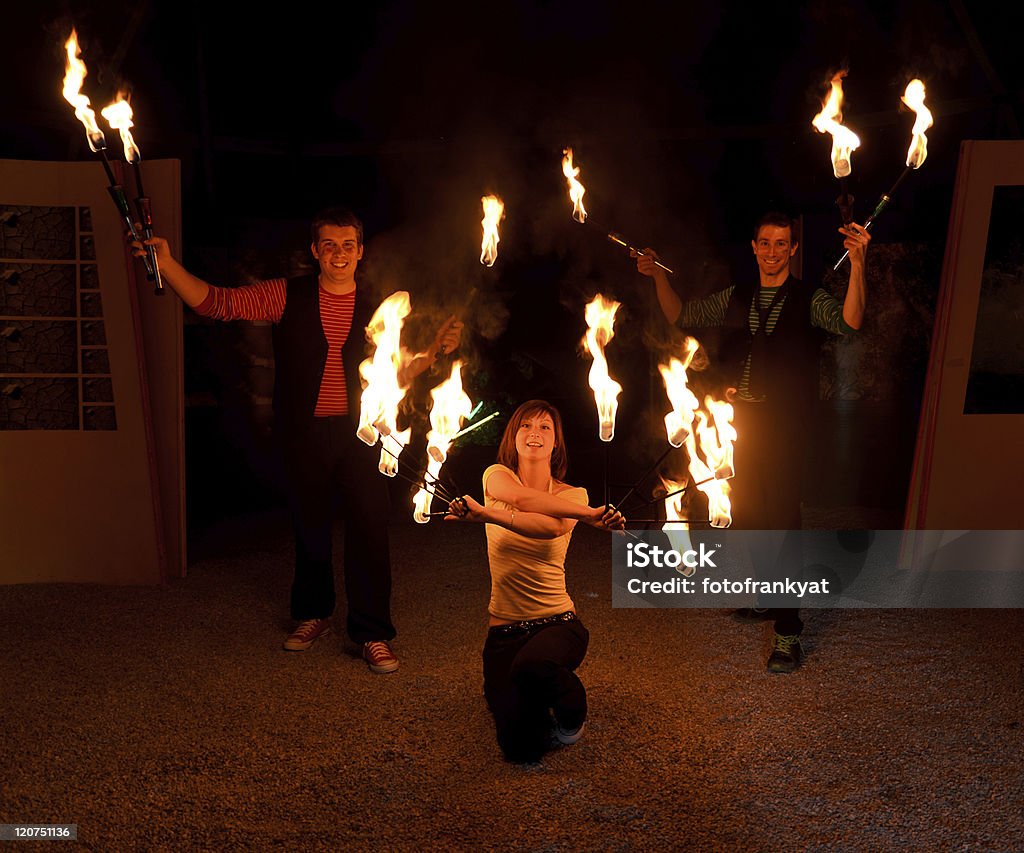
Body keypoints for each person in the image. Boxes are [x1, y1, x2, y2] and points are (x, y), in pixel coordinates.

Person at [133, 207, 462, 673]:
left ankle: (371, 633)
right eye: (329, 244)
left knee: (369, 528)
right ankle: (313, 613)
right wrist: (166, 264)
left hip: (364, 437)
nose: (339, 253)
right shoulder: (286, 294)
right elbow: (217, 303)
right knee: (310, 525)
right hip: (304, 432)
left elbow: (400, 372)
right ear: (315, 251)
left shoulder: (381, 304)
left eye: (348, 244)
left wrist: (433, 352)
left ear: (360, 251)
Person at [636, 211, 870, 673]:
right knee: (747, 516)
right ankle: (767, 596)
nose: (772, 251)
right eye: (765, 243)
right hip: (740, 427)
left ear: (793, 249)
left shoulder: (808, 298)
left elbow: (850, 324)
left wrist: (859, 263)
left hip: (786, 427)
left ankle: (788, 633)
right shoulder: (737, 297)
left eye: (781, 244)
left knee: (782, 522)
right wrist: (657, 277)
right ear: (754, 246)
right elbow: (683, 314)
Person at [445, 400, 624, 762]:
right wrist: (590, 516)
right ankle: (535, 692)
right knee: (520, 748)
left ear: (556, 442)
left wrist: (487, 515)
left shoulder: (573, 497)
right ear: (513, 437)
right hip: (503, 633)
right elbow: (519, 498)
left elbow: (550, 527)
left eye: (545, 427)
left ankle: (573, 709)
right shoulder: (496, 476)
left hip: (558, 625)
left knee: (533, 668)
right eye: (526, 426)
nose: (534, 433)